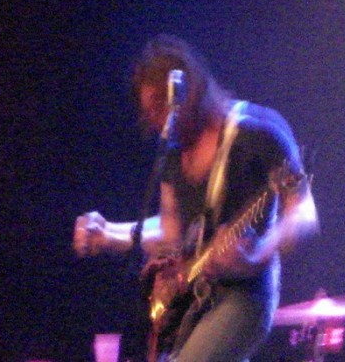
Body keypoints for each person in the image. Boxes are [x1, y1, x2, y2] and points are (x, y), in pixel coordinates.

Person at [73, 35, 319, 362]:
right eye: (149, 112)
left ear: (188, 87)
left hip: (244, 295)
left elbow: (303, 214)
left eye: (160, 107)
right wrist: (109, 234)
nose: (156, 122)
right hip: (195, 298)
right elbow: (170, 233)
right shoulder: (175, 156)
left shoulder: (256, 131)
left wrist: (257, 253)